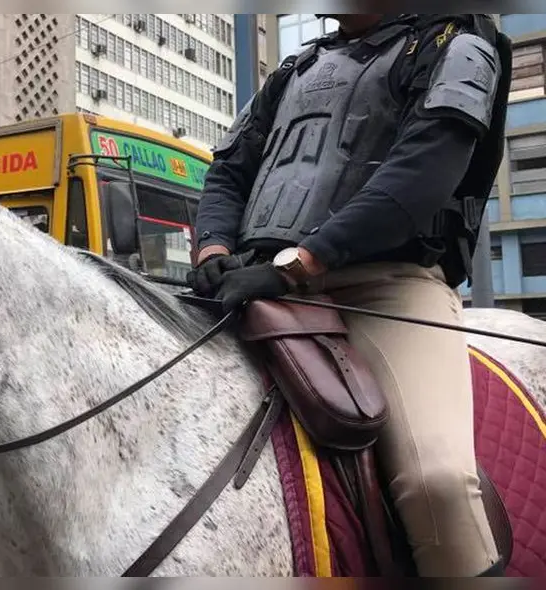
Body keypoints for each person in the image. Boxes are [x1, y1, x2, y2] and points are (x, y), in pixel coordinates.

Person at [188, 14, 511, 577]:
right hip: (259, 288)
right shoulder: (295, 70)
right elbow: (229, 171)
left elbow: (422, 174)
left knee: (436, 482)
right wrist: (213, 249)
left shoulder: (456, 46)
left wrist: (303, 262)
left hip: (384, 290)